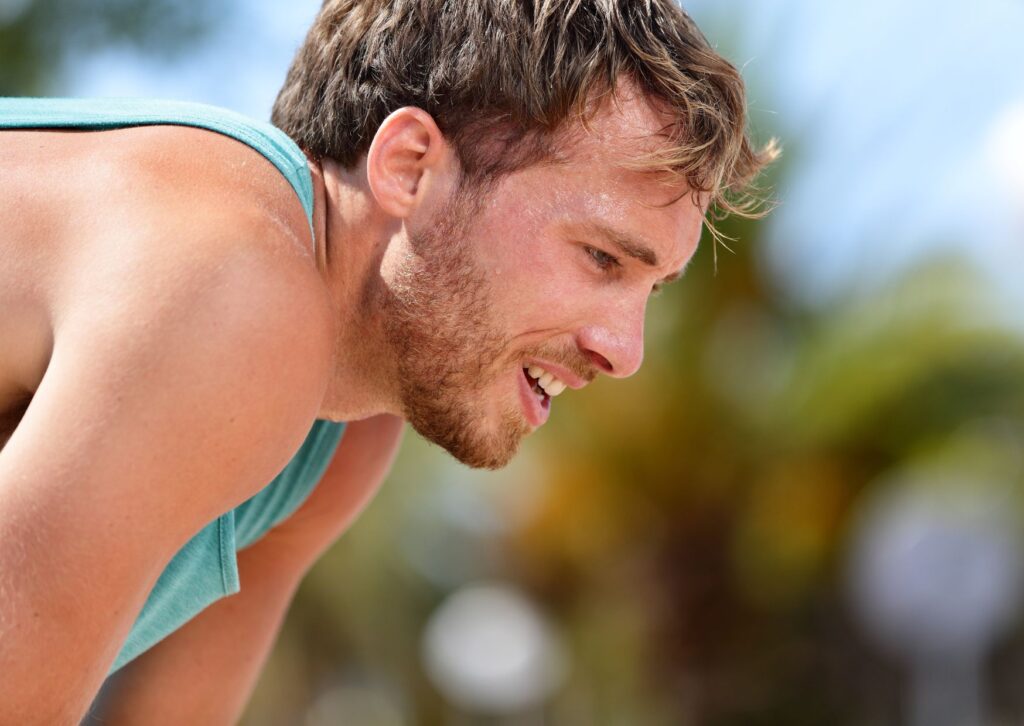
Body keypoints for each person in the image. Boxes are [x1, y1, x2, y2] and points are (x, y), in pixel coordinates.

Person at [0, 0, 776, 722]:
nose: (626, 351)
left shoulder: (341, 434)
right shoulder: (232, 285)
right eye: (603, 258)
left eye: (653, 290)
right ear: (410, 168)